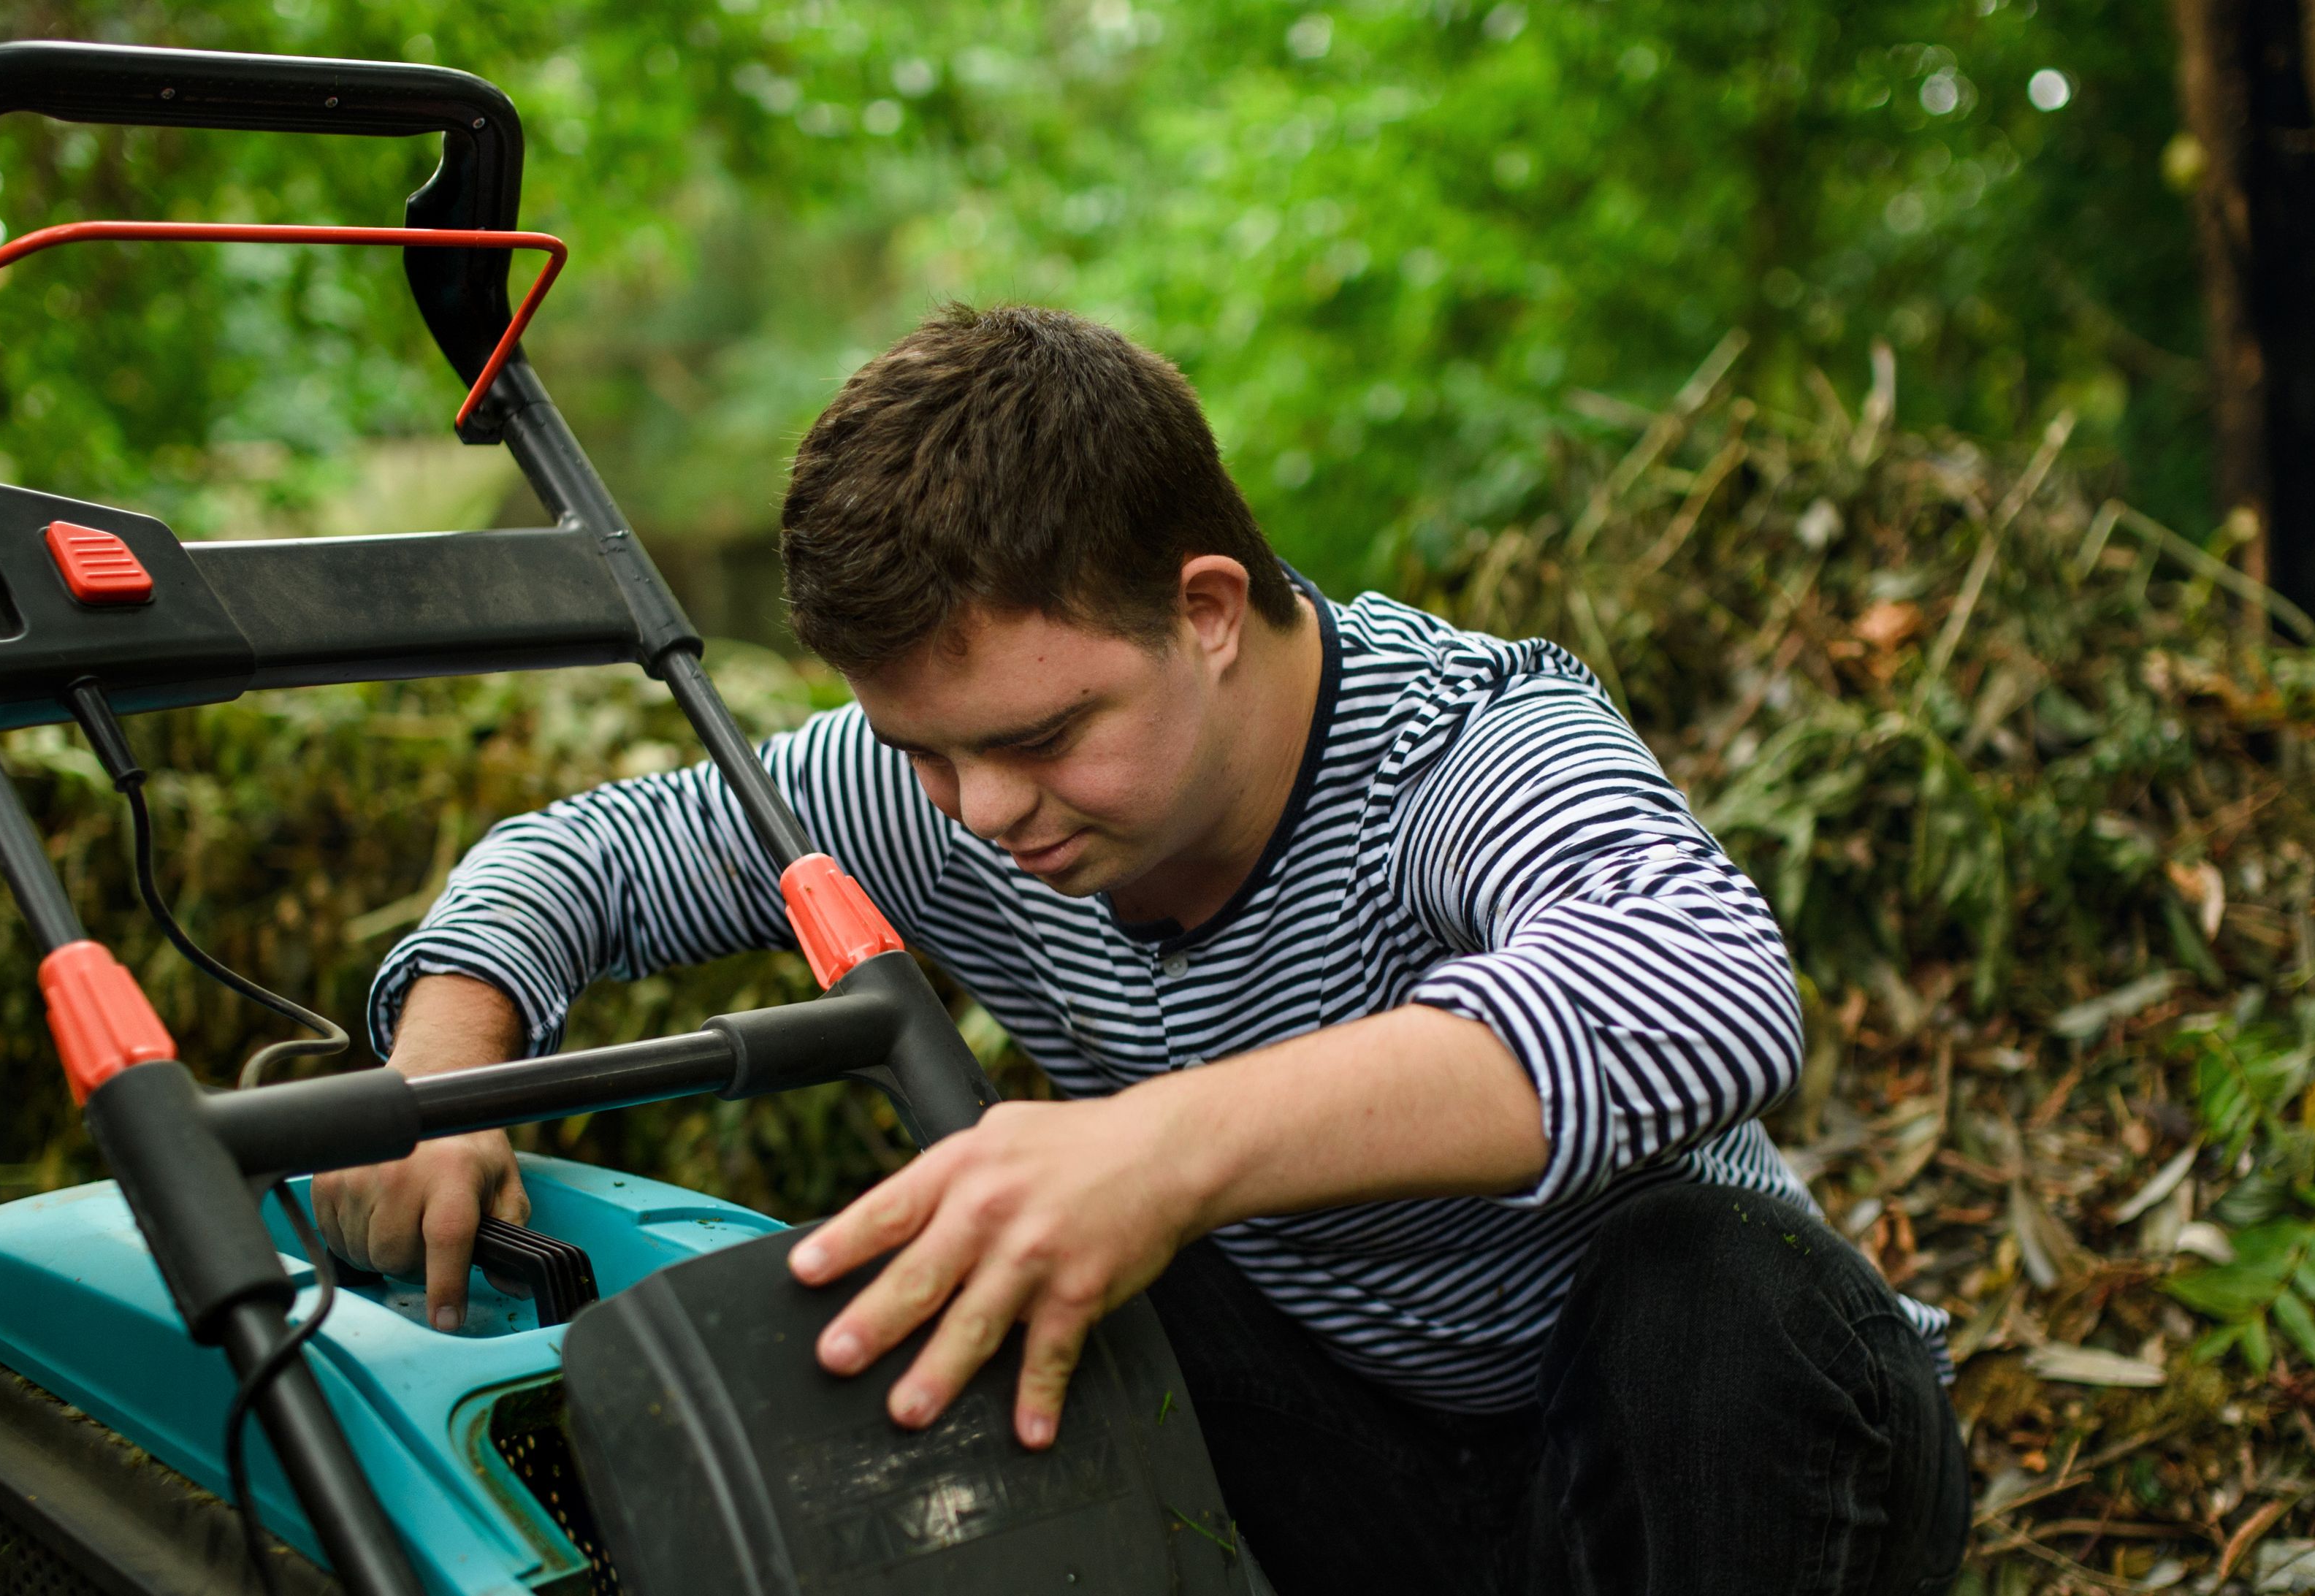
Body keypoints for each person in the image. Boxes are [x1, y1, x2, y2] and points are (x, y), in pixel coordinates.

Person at [313, 304, 1968, 1595]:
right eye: (926, 750)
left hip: (1726, 1476)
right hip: (1373, 1485)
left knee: (1715, 1285)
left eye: (1040, 736)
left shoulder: (1462, 742)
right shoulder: (949, 789)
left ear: (1204, 607)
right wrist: (447, 1061)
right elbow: (591, 853)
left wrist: (1160, 1147)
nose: (978, 811)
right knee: (1061, 1282)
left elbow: (1703, 980)